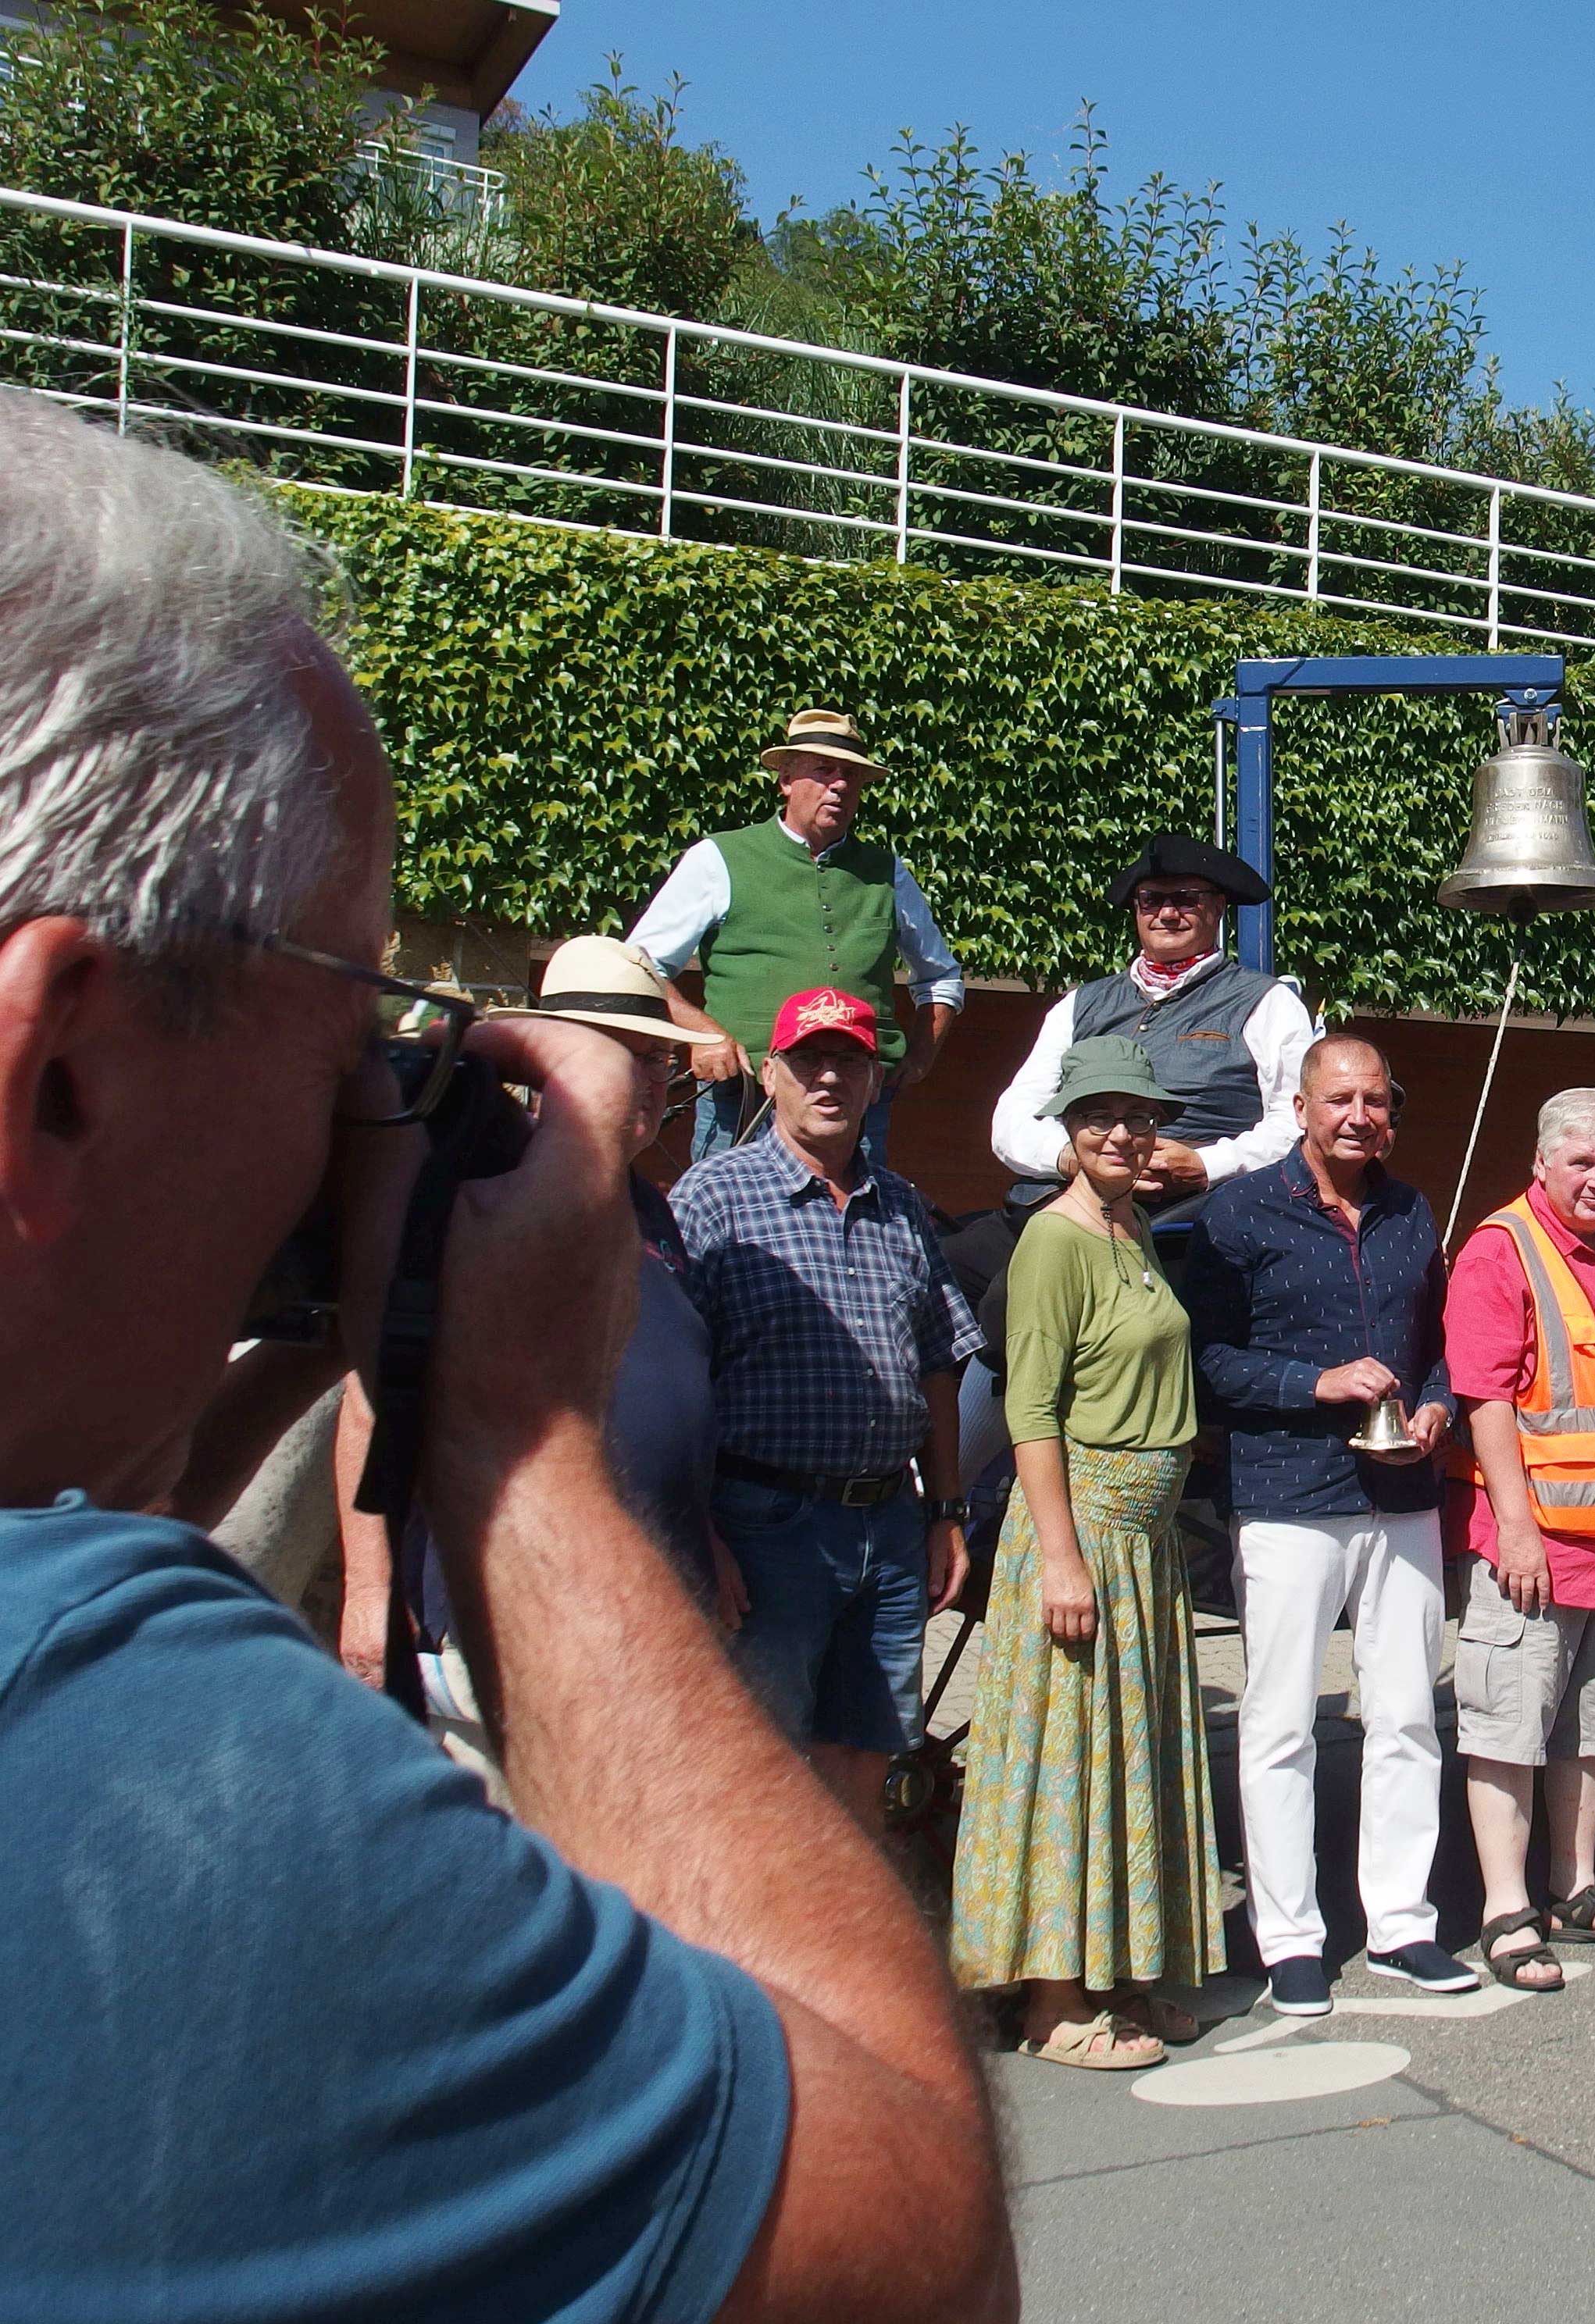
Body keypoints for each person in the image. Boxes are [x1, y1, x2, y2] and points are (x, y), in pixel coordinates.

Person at [0, 392, 1008, 2315]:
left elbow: (938, 997)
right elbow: (915, 2239)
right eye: (348, 1012)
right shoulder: (129, 1747)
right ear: (53, 1075)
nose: (368, 1102)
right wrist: (515, 1431)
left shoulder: (886, 907)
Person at [334, 937, 743, 1784]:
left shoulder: (650, 1214)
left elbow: (663, 1398)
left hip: (645, 1623)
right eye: (626, 1055)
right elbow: (369, 1396)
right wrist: (370, 1587)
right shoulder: (479, 1189)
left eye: (660, 1059)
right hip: (507, 1618)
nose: (650, 1079)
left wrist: (704, 1535)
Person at [1183, 1035, 1473, 2016]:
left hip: (1399, 1496)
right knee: (1276, 1727)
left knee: (1401, 1717)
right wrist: (1314, 1382)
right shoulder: (1238, 1211)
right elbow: (1206, 1362)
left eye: (1375, 1101)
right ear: (1302, 1108)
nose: (1359, 1115)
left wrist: (1436, 1406)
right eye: (1339, 1098)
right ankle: (1291, 1939)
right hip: (1289, 1494)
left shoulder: (1409, 1210)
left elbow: (1439, 1342)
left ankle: (1400, 1924)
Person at [952, 1036, 1226, 2067]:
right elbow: (1031, 1411)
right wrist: (1061, 1558)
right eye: (1099, 1115)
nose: (1123, 1131)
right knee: (1070, 1762)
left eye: (1140, 1116)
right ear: (1063, 1132)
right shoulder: (1057, 1240)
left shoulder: (1129, 1228)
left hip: (1142, 1542)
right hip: (1085, 1532)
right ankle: (1053, 2005)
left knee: (1130, 1755)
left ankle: (1118, 1969)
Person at [673, 986, 982, 1830]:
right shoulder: (711, 1201)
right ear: (770, 1074)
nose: (828, 1078)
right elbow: (668, 1377)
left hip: (887, 1520)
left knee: (868, 1747)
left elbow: (939, 1363)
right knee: (755, 1755)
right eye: (809, 1060)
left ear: (873, 1080)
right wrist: (699, 1531)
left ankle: (839, 1942)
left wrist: (945, 1511)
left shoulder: (903, 1207)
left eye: (847, 1060)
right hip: (763, 1522)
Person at [1444, 1088, 1595, 1993]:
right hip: (1533, 1543)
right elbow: (1486, 1398)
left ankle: (1573, 1888)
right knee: (1509, 1726)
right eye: (1580, 1162)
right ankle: (1505, 1910)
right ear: (1540, 1163)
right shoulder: (1499, 1251)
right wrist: (1513, 1530)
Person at [628, 707, 966, 1163]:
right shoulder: (719, 858)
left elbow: (941, 978)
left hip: (855, 1103)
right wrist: (703, 1036)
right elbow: (639, 965)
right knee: (728, 1227)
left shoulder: (886, 873)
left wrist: (921, 1055)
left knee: (854, 1226)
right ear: (786, 779)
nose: (840, 785)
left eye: (851, 776)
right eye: (824, 771)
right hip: (742, 1098)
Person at [990, 833, 1311, 1207]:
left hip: (1200, 1215)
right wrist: (1072, 1159)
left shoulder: (1268, 1003)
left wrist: (1207, 1165)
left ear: (1219, 907)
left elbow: (1297, 1119)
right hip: (1068, 1201)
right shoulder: (1079, 1004)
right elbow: (1015, 1116)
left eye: (1187, 900)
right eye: (1152, 900)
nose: (1168, 913)